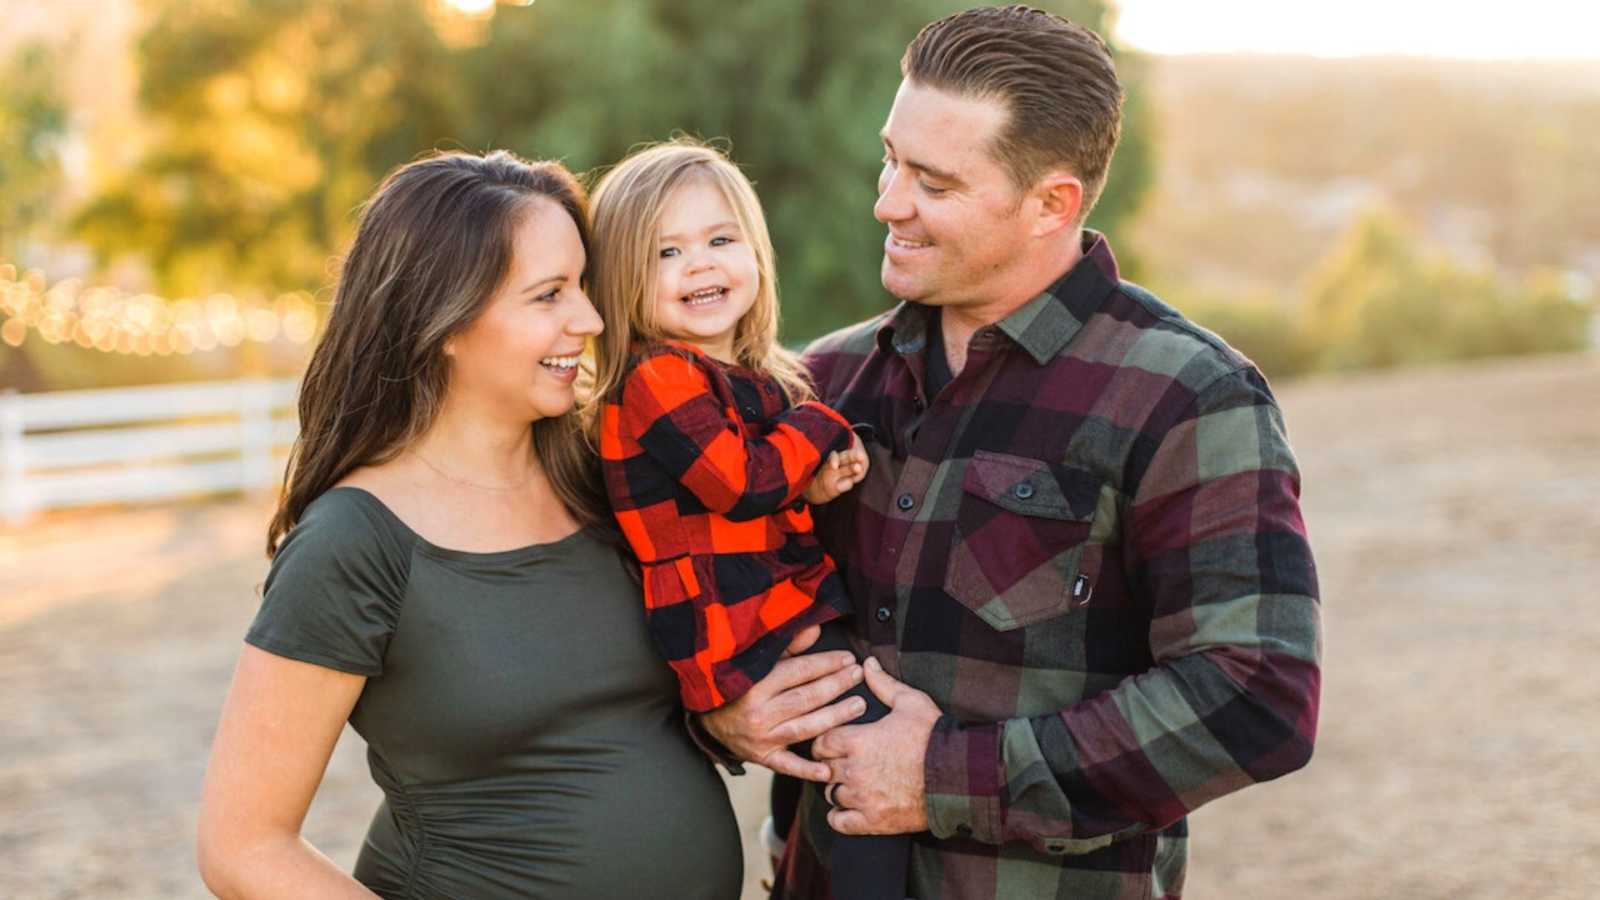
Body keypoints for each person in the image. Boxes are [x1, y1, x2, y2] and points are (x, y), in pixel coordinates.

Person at [700, 6, 1324, 898]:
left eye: (934, 183)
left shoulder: (1187, 395)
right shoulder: (815, 382)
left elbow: (1257, 694)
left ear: (1052, 204)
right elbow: (697, 588)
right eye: (890, 158)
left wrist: (943, 776)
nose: (886, 201)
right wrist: (722, 710)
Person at [196, 150, 743, 899]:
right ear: (445, 321)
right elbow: (242, 846)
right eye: (548, 295)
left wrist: (737, 715)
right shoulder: (353, 542)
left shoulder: (608, 476)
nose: (589, 319)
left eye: (581, 286)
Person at [586, 138, 910, 899]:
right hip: (733, 615)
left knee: (828, 743)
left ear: (756, 253)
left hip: (763, 599)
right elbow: (741, 484)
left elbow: (745, 494)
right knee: (865, 750)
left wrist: (816, 487)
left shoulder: (739, 378)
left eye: (721, 239)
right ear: (622, 278)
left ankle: (786, 851)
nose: (701, 264)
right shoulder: (657, 377)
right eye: (667, 252)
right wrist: (824, 425)